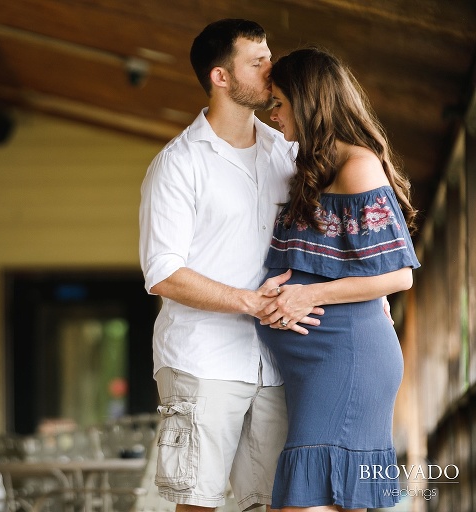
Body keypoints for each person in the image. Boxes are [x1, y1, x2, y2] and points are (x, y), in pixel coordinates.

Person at [139, 19, 323, 512]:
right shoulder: (179, 164)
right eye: (257, 61)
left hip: (276, 362)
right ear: (221, 77)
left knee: (269, 502)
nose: (271, 68)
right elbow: (162, 271)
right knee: (197, 502)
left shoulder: (287, 151)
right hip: (203, 361)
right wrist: (250, 301)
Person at [254, 47, 420, 512]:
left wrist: (310, 294)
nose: (274, 114)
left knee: (302, 503)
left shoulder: (358, 166)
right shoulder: (314, 168)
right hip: (316, 366)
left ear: (308, 104)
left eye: (280, 102)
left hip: (346, 360)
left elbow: (398, 274)